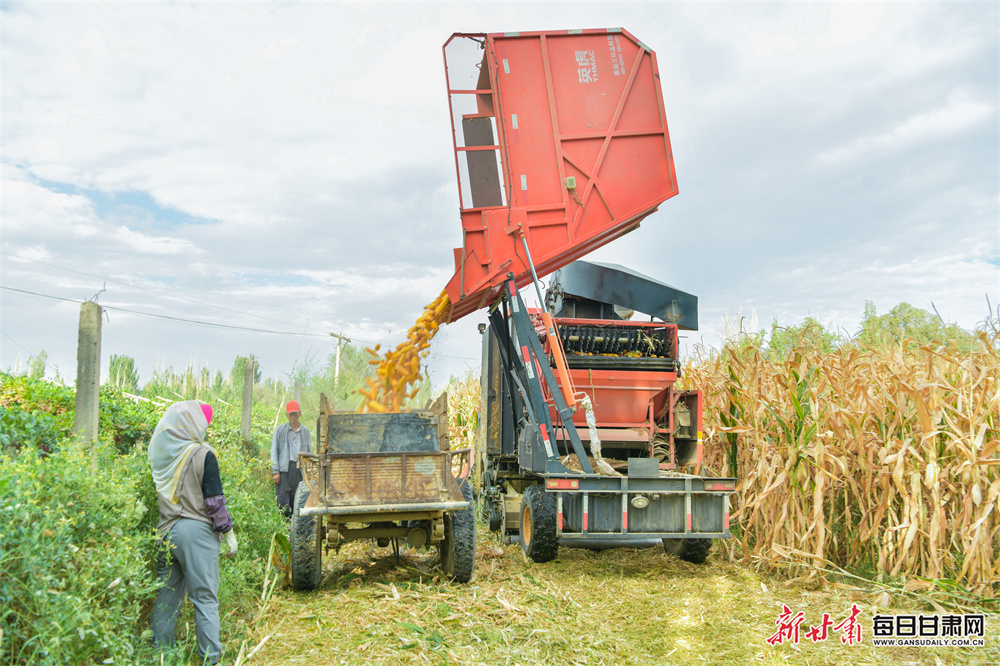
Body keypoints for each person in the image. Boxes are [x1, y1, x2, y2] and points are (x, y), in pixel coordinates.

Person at [149, 401, 237, 666]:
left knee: (167, 597)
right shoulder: (203, 454)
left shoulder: (164, 454)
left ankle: (161, 656)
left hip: (166, 532)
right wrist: (229, 533)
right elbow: (213, 503)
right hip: (195, 533)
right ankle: (211, 661)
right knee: (205, 598)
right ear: (196, 424)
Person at [271, 400, 312, 518]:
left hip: (299, 469)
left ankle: (296, 525)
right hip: (285, 469)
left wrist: (309, 470)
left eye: (295, 414)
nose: (293, 417)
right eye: (291, 414)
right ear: (287, 415)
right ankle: (285, 526)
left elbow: (309, 451)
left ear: (300, 414)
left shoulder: (305, 431)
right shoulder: (279, 430)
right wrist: (275, 471)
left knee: (299, 498)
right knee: (283, 499)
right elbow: (274, 451)